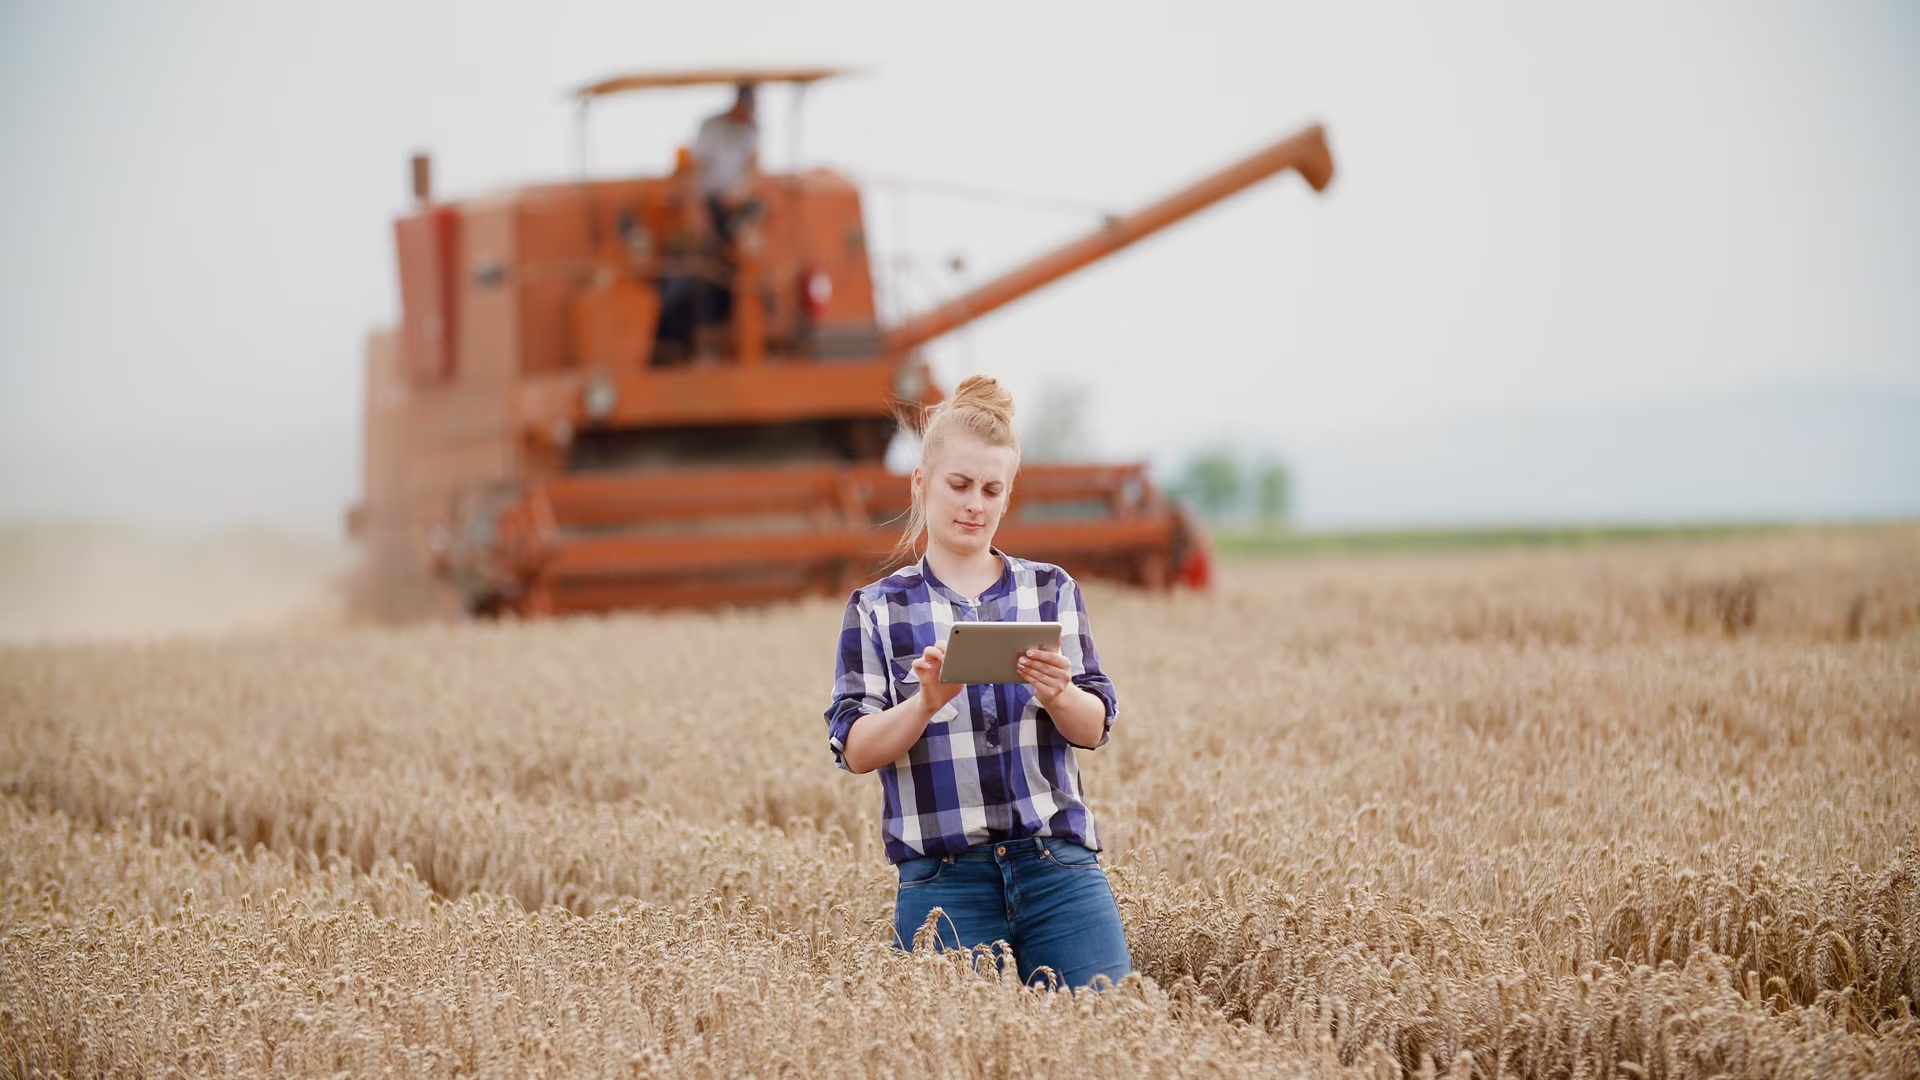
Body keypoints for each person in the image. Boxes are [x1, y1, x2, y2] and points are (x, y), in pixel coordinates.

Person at [823, 376, 1132, 991]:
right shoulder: (877, 608)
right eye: (959, 485)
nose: (975, 504)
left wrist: (1058, 693)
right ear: (921, 483)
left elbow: (1094, 726)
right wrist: (924, 705)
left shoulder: (1051, 590)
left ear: (1008, 495)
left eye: (992, 490)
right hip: (943, 885)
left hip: (1059, 869)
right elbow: (855, 748)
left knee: (1109, 1037)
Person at [690, 82, 761, 246]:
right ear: (738, 104)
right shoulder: (711, 126)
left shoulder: (752, 129)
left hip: (737, 199)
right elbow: (699, 164)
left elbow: (753, 166)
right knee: (715, 232)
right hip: (711, 196)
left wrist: (741, 192)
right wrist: (696, 201)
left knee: (759, 207)